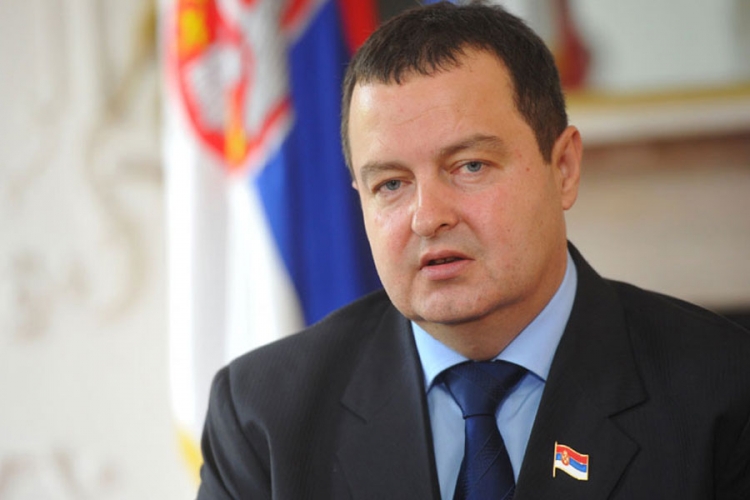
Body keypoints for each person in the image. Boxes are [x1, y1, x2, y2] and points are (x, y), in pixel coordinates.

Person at [196, 3, 750, 499]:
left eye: (470, 166)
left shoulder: (724, 390)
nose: (427, 216)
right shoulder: (264, 417)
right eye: (391, 184)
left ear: (563, 168)